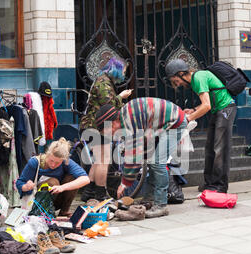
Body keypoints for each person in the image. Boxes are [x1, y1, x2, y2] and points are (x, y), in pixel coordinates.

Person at [94, 98, 187, 218]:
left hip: (174, 123)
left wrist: (124, 183)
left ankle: (161, 205)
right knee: (152, 161)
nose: (110, 134)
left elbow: (134, 156)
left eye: (107, 131)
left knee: (158, 163)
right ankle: (150, 199)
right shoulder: (125, 117)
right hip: (164, 124)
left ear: (112, 122)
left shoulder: (128, 120)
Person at [165, 59, 236, 194]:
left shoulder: (198, 78)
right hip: (218, 111)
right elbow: (207, 102)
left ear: (181, 73)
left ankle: (220, 186)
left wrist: (189, 118)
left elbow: (207, 106)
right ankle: (209, 183)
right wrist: (193, 109)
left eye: (176, 81)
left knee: (220, 149)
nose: (178, 84)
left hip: (226, 109)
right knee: (210, 149)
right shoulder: (197, 79)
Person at [79, 57, 133, 202]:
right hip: (98, 127)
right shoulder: (103, 83)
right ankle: (101, 193)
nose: (124, 74)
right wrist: (121, 97)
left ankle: (89, 191)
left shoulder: (103, 81)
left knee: (98, 160)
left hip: (94, 126)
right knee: (104, 160)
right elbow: (107, 105)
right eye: (123, 70)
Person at [16, 138, 90, 216]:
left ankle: (64, 211)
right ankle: (43, 212)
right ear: (47, 154)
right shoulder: (35, 162)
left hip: (57, 200)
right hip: (37, 201)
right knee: (53, 182)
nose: (53, 165)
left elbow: (85, 179)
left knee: (73, 177)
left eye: (57, 163)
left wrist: (62, 187)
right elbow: (19, 183)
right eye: (51, 160)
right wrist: (26, 187)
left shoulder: (66, 162)